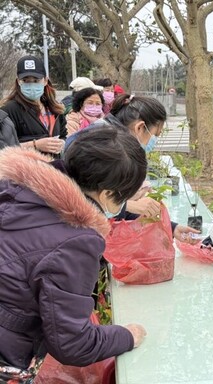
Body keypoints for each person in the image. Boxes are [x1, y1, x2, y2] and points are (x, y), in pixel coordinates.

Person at [0, 126, 147, 381]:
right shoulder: (75, 241)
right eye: (124, 197)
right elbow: (73, 343)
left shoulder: (18, 190)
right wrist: (127, 335)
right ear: (107, 194)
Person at [65, 94, 200, 243]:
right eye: (155, 135)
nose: (153, 142)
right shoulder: (100, 146)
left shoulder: (113, 141)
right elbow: (81, 200)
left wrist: (171, 227)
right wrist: (129, 205)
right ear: (140, 127)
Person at [0, 55, 66, 157]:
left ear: (45, 81)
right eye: (26, 80)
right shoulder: (8, 110)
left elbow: (63, 135)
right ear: (18, 81)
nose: (31, 85)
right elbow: (4, 148)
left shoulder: (55, 109)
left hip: (52, 168)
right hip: (24, 169)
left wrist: (61, 143)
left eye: (36, 80)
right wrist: (35, 145)